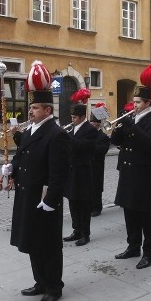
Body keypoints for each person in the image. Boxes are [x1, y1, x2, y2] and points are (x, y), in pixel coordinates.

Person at [0, 60, 69, 301]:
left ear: (48, 110)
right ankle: (40, 281)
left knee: (48, 245)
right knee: (32, 242)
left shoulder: (56, 134)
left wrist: (51, 202)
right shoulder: (29, 131)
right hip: (26, 195)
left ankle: (54, 286)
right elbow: (21, 157)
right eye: (31, 107)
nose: (30, 111)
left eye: (36, 107)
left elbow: (59, 173)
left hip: (44, 198)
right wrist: (11, 169)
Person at [111, 65, 151, 269]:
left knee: (145, 215)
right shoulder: (130, 120)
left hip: (143, 174)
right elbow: (117, 141)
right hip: (127, 172)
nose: (133, 106)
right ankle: (132, 246)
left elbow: (149, 144)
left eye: (137, 103)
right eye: (133, 102)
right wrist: (118, 128)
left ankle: (148, 252)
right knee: (129, 212)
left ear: (147, 103)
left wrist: (132, 127)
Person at [63, 103, 97, 246]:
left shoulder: (90, 130)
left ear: (83, 117)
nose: (72, 120)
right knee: (73, 202)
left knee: (83, 203)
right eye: (71, 117)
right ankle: (76, 230)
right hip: (71, 171)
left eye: (75, 117)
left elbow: (83, 147)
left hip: (83, 172)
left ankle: (85, 234)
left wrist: (67, 137)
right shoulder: (72, 128)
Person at [88, 108, 110, 217]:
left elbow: (102, 151)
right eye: (90, 123)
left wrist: (89, 146)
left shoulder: (104, 137)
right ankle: (89, 207)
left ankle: (97, 207)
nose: (91, 125)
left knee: (96, 187)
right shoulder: (86, 135)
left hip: (97, 165)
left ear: (98, 125)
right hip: (87, 165)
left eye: (93, 124)